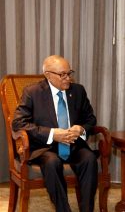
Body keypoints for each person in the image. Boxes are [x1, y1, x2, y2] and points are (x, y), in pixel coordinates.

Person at [12, 55, 98, 212]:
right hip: (45, 148)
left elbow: (91, 119)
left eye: (69, 73)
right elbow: (18, 123)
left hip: (74, 146)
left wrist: (81, 129)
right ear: (48, 75)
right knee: (52, 163)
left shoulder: (78, 91)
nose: (67, 78)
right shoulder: (32, 92)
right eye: (62, 74)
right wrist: (52, 133)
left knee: (90, 159)